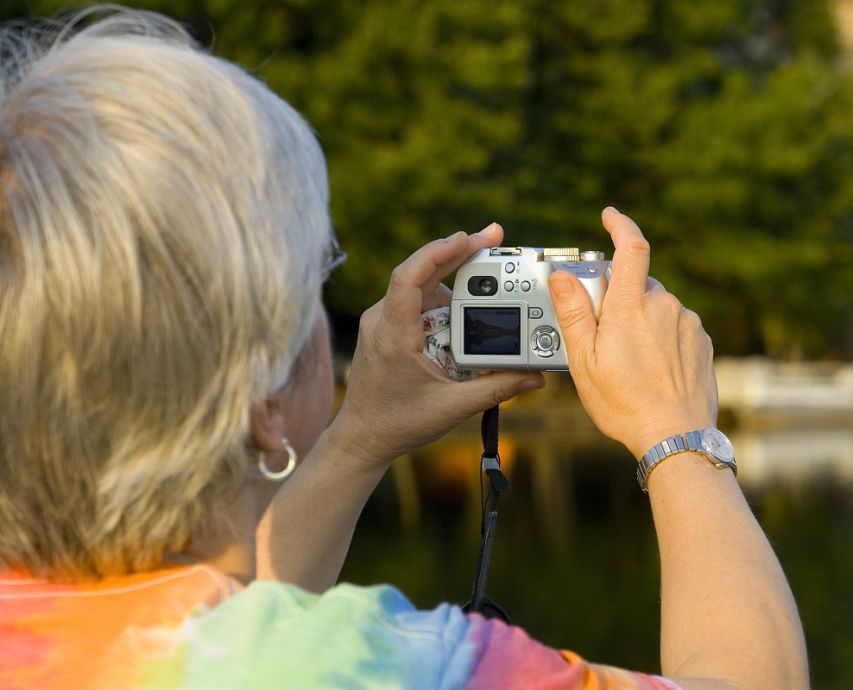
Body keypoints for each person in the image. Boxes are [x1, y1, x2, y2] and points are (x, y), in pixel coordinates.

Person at [0, 8, 808, 690]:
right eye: (315, 280)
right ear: (259, 401)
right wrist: (680, 440)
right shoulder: (394, 668)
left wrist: (362, 438)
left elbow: (215, 626)